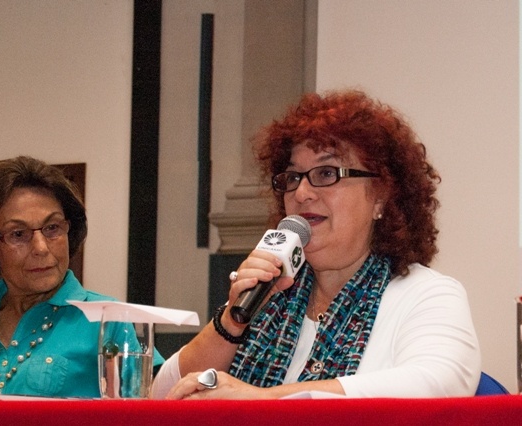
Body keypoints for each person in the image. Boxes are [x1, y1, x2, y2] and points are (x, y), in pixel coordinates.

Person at [152, 90, 480, 399]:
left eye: (326, 173)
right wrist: (232, 321)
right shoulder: (271, 293)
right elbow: (162, 394)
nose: (301, 193)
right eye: (293, 177)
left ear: (380, 194)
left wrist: (262, 400)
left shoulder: (427, 295)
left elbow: (438, 383)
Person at [0, 156, 164, 397]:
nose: (41, 248)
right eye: (18, 234)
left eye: (52, 228)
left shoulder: (108, 320)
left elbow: (160, 401)